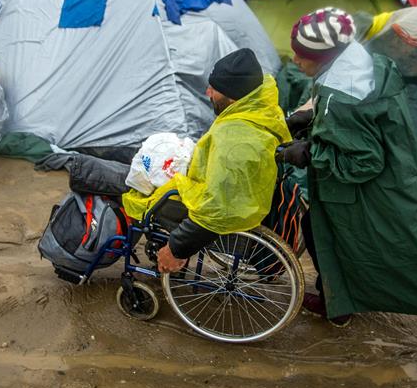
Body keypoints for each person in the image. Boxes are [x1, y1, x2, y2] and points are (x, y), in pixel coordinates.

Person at [277, 8, 417, 377]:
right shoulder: (364, 62)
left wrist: (310, 152)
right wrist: (313, 118)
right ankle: (336, 300)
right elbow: (366, 118)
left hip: (380, 196)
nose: (295, 60)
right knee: (317, 228)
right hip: (397, 176)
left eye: (301, 55)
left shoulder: (343, 95)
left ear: (324, 56)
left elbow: (363, 162)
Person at [119, 48, 291, 273]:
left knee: (114, 179)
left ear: (234, 96)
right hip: (218, 190)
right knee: (129, 166)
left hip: (205, 208)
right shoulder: (260, 110)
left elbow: (218, 209)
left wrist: (176, 247)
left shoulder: (235, 142)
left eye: (215, 89)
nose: (207, 92)